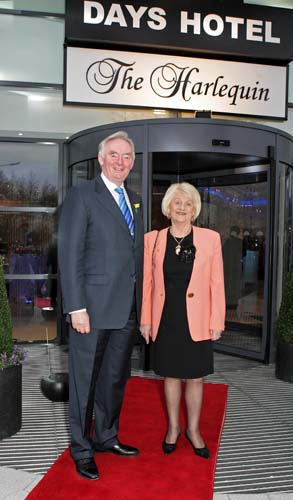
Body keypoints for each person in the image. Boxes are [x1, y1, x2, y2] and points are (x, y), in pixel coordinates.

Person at [58, 131, 144, 480]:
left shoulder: (135, 199)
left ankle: (106, 436)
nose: (120, 161)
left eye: (126, 156)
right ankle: (81, 449)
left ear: (133, 162)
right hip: (90, 312)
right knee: (84, 383)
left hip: (125, 310)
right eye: (114, 155)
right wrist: (76, 306)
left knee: (113, 379)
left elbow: (134, 256)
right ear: (101, 158)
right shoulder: (82, 196)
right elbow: (70, 254)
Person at [140, 182, 225, 459]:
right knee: (171, 375)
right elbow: (147, 284)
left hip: (197, 318)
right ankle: (174, 429)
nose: (182, 208)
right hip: (165, 317)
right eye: (177, 202)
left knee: (196, 377)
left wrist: (217, 320)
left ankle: (194, 430)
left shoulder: (210, 239)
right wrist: (146, 319)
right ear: (167, 207)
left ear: (195, 209)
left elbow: (217, 284)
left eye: (188, 203)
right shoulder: (152, 239)